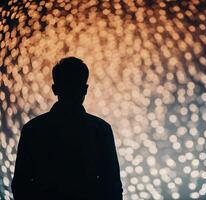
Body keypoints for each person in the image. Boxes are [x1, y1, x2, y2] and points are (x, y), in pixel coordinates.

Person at [11, 57, 123, 200]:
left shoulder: (33, 129)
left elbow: (20, 185)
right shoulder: (101, 130)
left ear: (55, 89)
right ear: (85, 89)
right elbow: (113, 187)